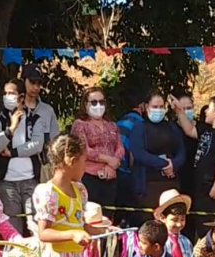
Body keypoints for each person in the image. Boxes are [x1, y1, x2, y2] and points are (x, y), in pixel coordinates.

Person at [173, 94, 215, 235]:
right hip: (199, 186)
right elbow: (189, 130)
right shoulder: (206, 129)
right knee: (198, 223)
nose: (206, 111)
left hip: (210, 187)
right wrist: (179, 111)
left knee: (207, 225)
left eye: (210, 109)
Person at [0, 79, 43, 235]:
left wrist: (12, 153)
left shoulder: (35, 119)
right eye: (5, 94)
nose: (7, 97)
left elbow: (37, 144)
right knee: (13, 230)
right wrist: (11, 128)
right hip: (7, 185)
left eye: (11, 93)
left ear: (21, 97)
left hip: (30, 181)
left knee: (35, 226)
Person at [129, 90, 185, 210]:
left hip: (170, 182)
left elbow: (181, 151)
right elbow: (139, 153)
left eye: (161, 107)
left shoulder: (171, 127)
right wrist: (164, 164)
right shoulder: (140, 127)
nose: (158, 110)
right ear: (146, 107)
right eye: (155, 107)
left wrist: (173, 165)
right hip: (148, 184)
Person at [71, 87, 124, 209]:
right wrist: (107, 159)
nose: (98, 105)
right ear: (85, 104)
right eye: (94, 102)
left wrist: (112, 165)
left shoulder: (111, 125)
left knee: (108, 216)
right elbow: (83, 148)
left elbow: (120, 147)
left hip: (110, 176)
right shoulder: (80, 125)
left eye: (101, 102)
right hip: (89, 177)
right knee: (90, 214)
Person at [18, 63, 60, 167]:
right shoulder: (14, 109)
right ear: (23, 81)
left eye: (39, 83)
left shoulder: (48, 110)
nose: (36, 87)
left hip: (42, 167)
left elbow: (55, 141)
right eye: (32, 82)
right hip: (16, 163)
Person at [115, 89, 145, 217]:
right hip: (128, 171)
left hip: (115, 169)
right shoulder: (140, 123)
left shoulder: (119, 121)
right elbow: (134, 150)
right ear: (142, 105)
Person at [172, 91, 198, 199]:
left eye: (189, 108)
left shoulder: (200, 129)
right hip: (177, 177)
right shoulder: (171, 129)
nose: (186, 111)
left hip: (197, 179)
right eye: (182, 109)